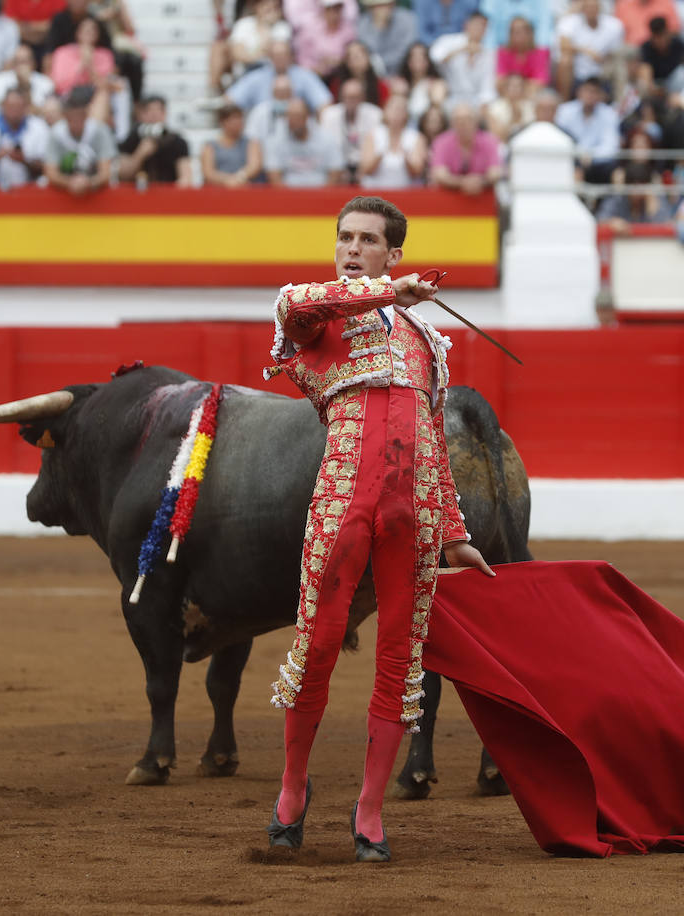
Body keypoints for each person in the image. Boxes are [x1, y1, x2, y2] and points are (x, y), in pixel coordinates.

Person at [263, 194, 493, 863]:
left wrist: (454, 530)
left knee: (400, 658)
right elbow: (298, 305)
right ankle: (292, 791)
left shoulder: (426, 340)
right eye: (345, 237)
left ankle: (369, 811)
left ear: (393, 250)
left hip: (413, 516)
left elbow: (435, 446)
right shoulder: (317, 319)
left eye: (368, 240)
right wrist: (387, 290)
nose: (352, 248)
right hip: (342, 506)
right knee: (319, 648)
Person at [44, 85, 117, 196]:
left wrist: (88, 183)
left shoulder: (99, 131)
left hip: (96, 191)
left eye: (79, 117)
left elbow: (106, 173)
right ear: (65, 116)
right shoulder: (56, 133)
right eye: (72, 118)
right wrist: (69, 183)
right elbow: (50, 173)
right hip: (63, 192)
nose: (76, 122)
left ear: (86, 115)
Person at [226, 39, 333, 112]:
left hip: (299, 133)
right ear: (270, 58)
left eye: (283, 55)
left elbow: (324, 103)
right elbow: (230, 100)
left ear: (291, 56)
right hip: (263, 133)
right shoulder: (257, 77)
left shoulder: (305, 76)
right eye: (276, 56)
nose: (280, 59)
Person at [0, 86, 49, 188]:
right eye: (11, 106)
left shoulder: (39, 127)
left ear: (25, 107)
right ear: (2, 105)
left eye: (18, 107)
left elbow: (47, 167)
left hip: (30, 192)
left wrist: (24, 160)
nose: (14, 111)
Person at [265, 96, 346, 186]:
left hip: (321, 193)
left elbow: (336, 170)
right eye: (289, 116)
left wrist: (324, 196)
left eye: (297, 116)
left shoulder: (326, 138)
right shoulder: (277, 140)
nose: (292, 121)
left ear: (307, 117)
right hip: (288, 194)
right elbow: (274, 174)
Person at [555, 76, 620, 184]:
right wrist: (579, 155)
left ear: (600, 95)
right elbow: (560, 140)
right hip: (571, 159)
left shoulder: (609, 114)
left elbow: (610, 147)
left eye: (594, 92)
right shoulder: (564, 111)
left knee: (613, 168)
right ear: (579, 92)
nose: (590, 95)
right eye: (587, 91)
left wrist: (590, 155)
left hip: (597, 164)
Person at [555, 0, 625, 99]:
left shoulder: (614, 25)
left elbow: (616, 51)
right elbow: (563, 46)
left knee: (621, 63)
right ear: (582, 8)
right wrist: (587, 51)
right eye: (588, 6)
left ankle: (619, 101)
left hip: (603, 71)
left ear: (600, 7)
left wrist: (604, 59)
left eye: (594, 6)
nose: (591, 10)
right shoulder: (569, 22)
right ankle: (563, 100)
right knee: (565, 60)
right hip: (577, 73)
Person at [428, 100, 501, 193]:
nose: (463, 124)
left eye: (467, 119)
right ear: (452, 123)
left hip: (483, 200)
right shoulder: (441, 142)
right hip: (448, 200)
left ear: (476, 121)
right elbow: (439, 174)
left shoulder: (489, 141)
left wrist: (480, 182)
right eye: (458, 120)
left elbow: (495, 172)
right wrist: (464, 183)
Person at [118, 95, 191, 185]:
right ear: (141, 115)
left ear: (164, 114)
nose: (154, 116)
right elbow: (123, 175)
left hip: (167, 194)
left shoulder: (176, 141)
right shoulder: (133, 138)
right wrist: (140, 154)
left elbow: (186, 178)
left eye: (158, 111)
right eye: (149, 111)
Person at [430, 11, 495, 108]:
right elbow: (435, 57)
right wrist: (463, 49)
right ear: (467, 25)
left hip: (475, 101)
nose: (479, 29)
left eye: (483, 26)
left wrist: (483, 104)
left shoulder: (488, 54)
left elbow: (487, 87)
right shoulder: (449, 41)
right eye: (476, 25)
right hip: (450, 96)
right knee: (437, 88)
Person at [320, 77, 382, 177]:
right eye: (347, 97)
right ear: (341, 97)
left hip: (366, 168)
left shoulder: (375, 114)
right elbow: (326, 146)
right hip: (338, 168)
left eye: (354, 97)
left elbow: (377, 146)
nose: (350, 101)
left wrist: (363, 169)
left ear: (362, 97)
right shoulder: (329, 115)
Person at [359, 94, 423, 188]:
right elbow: (365, 169)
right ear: (385, 111)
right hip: (375, 195)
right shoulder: (373, 135)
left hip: (405, 192)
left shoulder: (416, 137)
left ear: (406, 114)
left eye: (400, 110)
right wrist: (379, 155)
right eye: (393, 109)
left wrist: (406, 160)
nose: (396, 114)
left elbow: (417, 172)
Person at [201, 102, 261, 186]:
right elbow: (208, 173)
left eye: (240, 118)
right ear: (222, 122)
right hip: (218, 192)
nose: (238, 122)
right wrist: (228, 180)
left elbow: (254, 166)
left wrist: (239, 178)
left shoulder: (251, 143)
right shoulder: (210, 146)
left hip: (245, 189)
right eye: (233, 119)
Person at [359, 0, 419, 77]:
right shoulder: (362, 23)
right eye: (379, 6)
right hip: (372, 75)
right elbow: (366, 51)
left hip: (403, 72)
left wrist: (380, 63)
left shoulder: (408, 19)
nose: (384, 9)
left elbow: (408, 50)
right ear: (370, 8)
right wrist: (378, 28)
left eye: (387, 5)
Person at [0, 44, 57, 111]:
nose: (21, 67)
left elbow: (43, 113)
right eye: (18, 62)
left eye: (24, 62)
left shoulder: (46, 83)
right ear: (12, 64)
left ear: (33, 63)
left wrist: (26, 85)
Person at [495, 15, 547, 95]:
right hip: (508, 96)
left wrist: (515, 88)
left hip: (532, 96)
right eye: (512, 32)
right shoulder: (502, 52)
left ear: (530, 33)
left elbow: (540, 83)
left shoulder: (541, 53)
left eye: (519, 32)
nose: (516, 35)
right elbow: (500, 83)